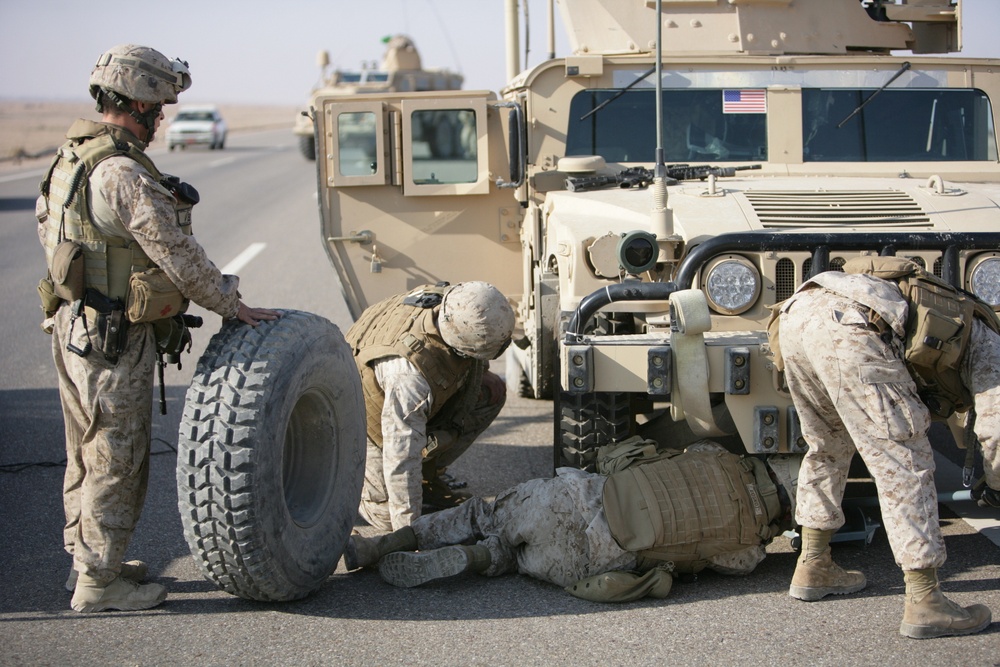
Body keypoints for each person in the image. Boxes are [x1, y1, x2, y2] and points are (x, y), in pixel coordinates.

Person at [36, 44, 280, 613]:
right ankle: (100, 582)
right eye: (157, 107)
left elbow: (52, 234)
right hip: (110, 337)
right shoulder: (123, 173)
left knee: (85, 449)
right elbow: (176, 253)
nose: (161, 118)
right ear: (135, 103)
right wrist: (231, 304)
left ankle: (90, 558)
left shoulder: (74, 157)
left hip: (71, 324)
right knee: (117, 455)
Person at [770, 256, 999, 639]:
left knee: (826, 446)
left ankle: (814, 563)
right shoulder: (991, 343)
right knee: (904, 459)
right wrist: (995, 484)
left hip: (796, 314)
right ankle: (926, 601)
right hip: (852, 325)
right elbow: (995, 430)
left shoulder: (970, 319)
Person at [343, 439, 792, 602]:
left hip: (570, 498)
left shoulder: (716, 456)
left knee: (482, 512)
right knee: (513, 560)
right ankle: (478, 557)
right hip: (592, 557)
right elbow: (716, 565)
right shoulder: (749, 550)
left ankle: (382, 543)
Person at [345, 281, 515, 532]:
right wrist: (410, 532)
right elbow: (400, 456)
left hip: (399, 393)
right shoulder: (409, 378)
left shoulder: (458, 301)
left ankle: (427, 477)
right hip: (360, 418)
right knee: (386, 517)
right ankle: (350, 483)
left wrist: (483, 371)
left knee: (489, 392)